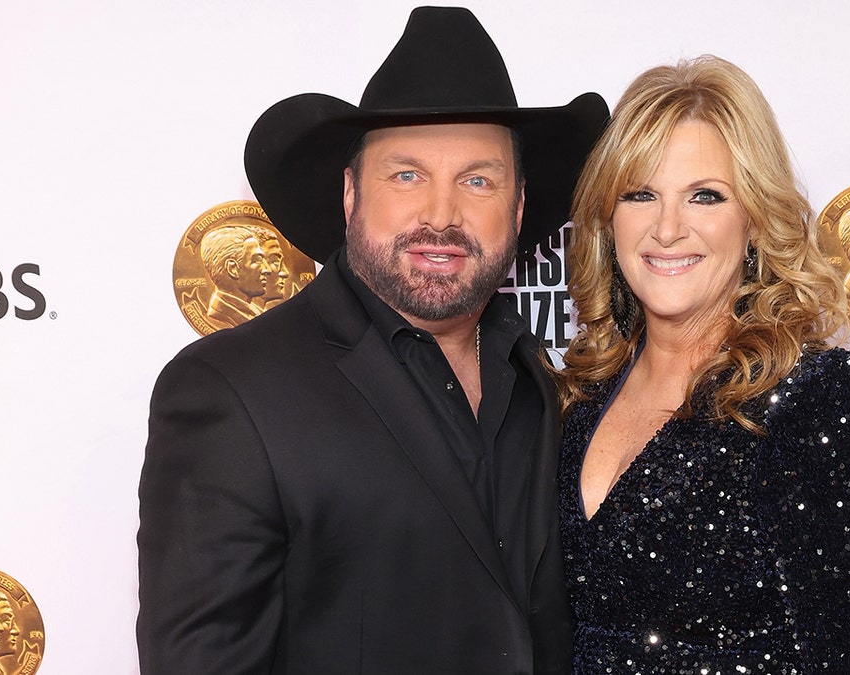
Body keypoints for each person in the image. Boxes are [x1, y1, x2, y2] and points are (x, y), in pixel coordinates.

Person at [137, 7, 607, 674]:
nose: (442, 215)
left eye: (477, 180)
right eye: (407, 174)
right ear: (352, 192)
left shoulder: (538, 377)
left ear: (520, 206)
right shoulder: (230, 393)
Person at [556, 56, 850, 673]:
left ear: (753, 220)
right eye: (640, 194)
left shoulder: (821, 400)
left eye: (705, 196)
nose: (667, 228)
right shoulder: (578, 397)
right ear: (606, 220)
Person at [199, 223, 271, 327]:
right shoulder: (222, 314)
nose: (267, 270)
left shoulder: (255, 312)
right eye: (258, 260)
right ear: (232, 269)